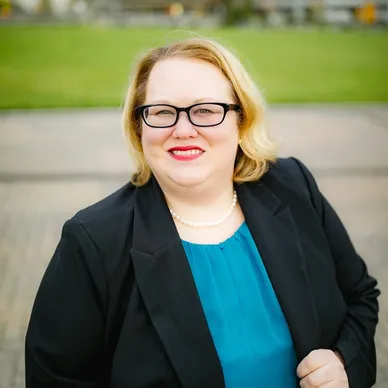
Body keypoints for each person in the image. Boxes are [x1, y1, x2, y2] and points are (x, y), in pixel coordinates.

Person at [25, 37, 380, 388]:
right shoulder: (93, 240)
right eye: (162, 112)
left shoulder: (293, 185)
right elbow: (55, 378)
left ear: (241, 119)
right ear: (139, 126)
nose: (183, 130)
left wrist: (345, 362)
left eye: (205, 110)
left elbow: (360, 296)